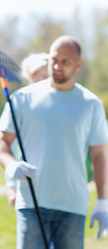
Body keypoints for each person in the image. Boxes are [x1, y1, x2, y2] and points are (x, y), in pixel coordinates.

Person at [0, 36, 108, 249]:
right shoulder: (22, 98)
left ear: (78, 64)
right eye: (54, 59)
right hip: (31, 202)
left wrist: (103, 201)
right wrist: (11, 164)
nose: (57, 66)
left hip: (73, 205)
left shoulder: (91, 104)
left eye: (65, 61)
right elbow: (3, 141)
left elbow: (99, 156)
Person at [5, 53, 49, 206]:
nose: (48, 80)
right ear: (32, 75)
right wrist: (12, 186)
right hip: (25, 182)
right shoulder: (20, 102)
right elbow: (9, 147)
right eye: (44, 76)